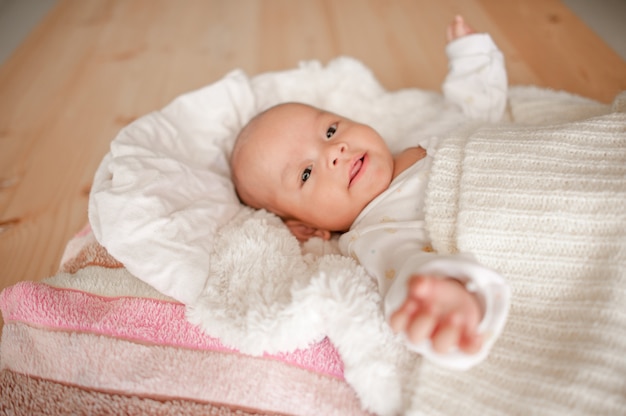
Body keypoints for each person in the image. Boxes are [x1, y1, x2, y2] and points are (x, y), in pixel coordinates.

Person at [230, 16, 510, 370]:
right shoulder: (375, 232)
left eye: (330, 130)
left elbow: (478, 117)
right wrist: (444, 296)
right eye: (305, 172)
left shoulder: (419, 140)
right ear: (307, 227)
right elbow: (407, 272)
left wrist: (472, 59)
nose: (335, 151)